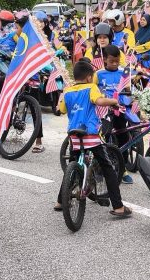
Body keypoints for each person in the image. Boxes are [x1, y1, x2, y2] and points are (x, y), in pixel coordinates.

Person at [57, 59, 131, 218]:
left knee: (72, 165)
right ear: (90, 77)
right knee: (108, 168)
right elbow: (99, 101)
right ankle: (118, 207)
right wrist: (113, 101)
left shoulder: (68, 91)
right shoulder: (91, 87)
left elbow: (61, 109)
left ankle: (59, 201)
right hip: (90, 134)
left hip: (74, 137)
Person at [95, 45, 136, 184]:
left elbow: (128, 90)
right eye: (111, 61)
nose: (115, 64)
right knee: (103, 139)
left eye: (117, 61)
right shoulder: (98, 74)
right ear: (104, 59)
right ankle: (99, 168)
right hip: (104, 111)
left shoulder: (122, 72)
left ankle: (122, 168)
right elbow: (93, 91)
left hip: (119, 110)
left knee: (123, 137)